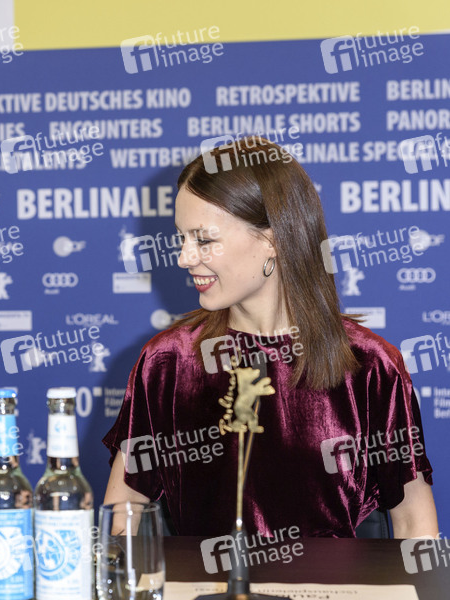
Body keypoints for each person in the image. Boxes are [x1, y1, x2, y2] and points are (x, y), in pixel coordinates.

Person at [102, 137, 437, 538]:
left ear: (272, 240)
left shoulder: (370, 365)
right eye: (182, 238)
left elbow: (415, 523)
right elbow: (122, 514)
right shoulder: (168, 362)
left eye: (203, 239)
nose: (184, 257)